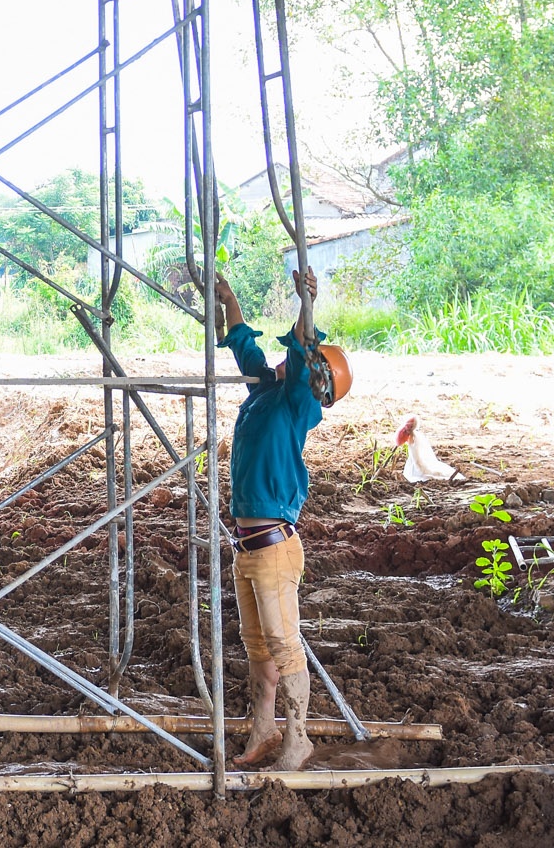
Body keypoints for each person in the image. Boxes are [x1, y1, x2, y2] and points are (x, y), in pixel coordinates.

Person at [214, 266, 349, 771]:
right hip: (249, 549)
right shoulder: (263, 394)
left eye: (306, 364)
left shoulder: (294, 403)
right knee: (259, 647)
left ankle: (298, 740)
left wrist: (306, 304)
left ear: (313, 380)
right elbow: (243, 343)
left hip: (272, 547)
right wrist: (228, 299)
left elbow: (299, 345)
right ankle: (264, 731)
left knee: (284, 647)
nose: (292, 362)